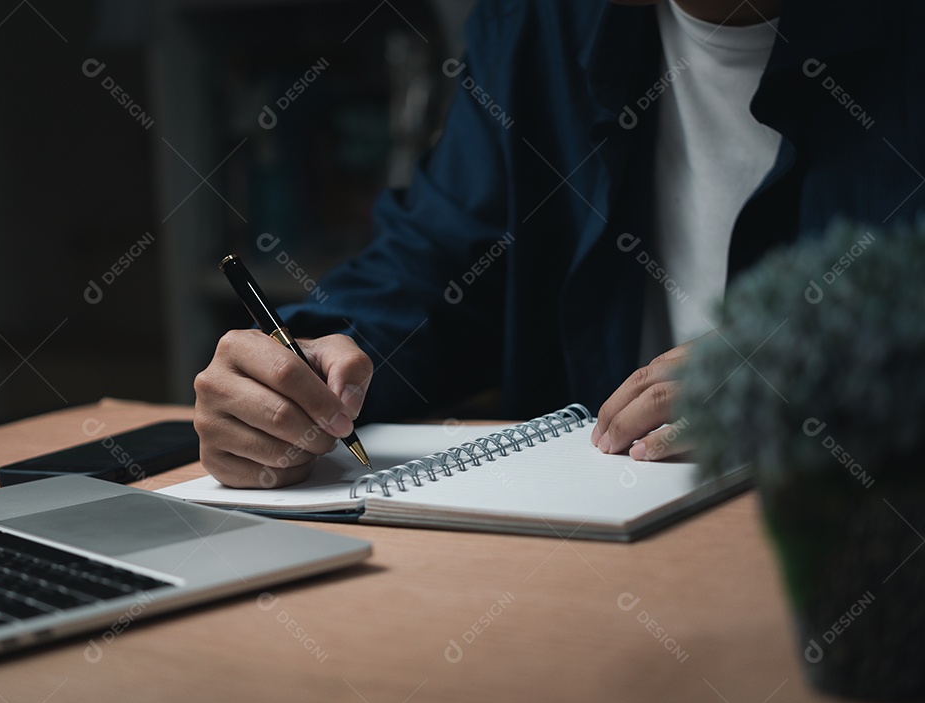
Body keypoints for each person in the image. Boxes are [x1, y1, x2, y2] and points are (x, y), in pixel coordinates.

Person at [195, 0, 925, 488]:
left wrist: (825, 370)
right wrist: (304, 365)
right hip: (593, 561)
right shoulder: (538, 26)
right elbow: (435, 263)